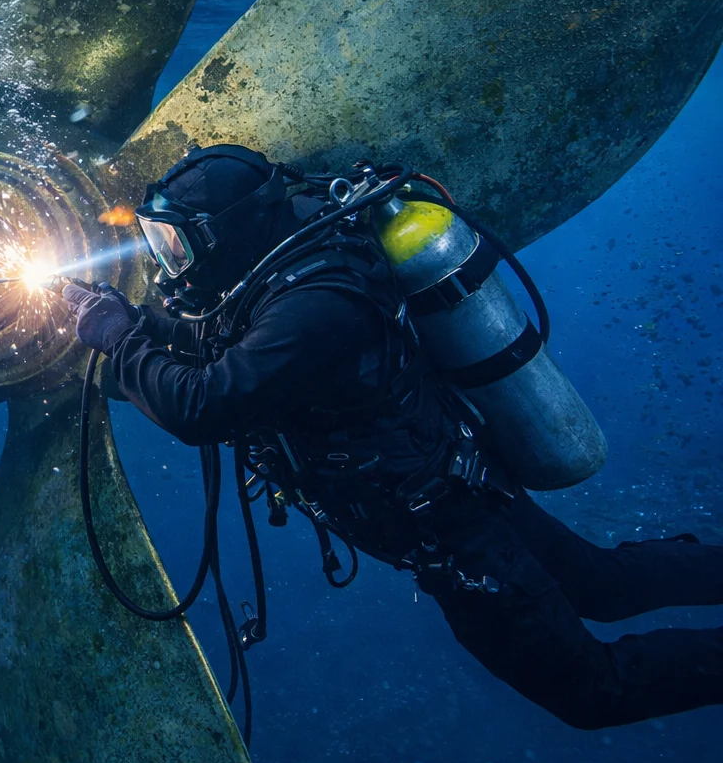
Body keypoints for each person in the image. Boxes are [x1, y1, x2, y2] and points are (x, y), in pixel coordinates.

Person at [63, 144, 723, 730]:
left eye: (176, 245)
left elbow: (203, 406)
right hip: (462, 486)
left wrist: (119, 338)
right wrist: (134, 324)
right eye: (158, 242)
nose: (167, 263)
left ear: (225, 234)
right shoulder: (287, 263)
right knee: (602, 585)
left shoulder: (315, 307)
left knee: (593, 692)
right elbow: (225, 343)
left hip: (454, 533)